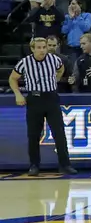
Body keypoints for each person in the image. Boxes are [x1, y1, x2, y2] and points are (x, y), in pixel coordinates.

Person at [10, 36, 73, 176]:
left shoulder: (54, 59)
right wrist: (18, 94)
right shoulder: (25, 62)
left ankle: (65, 165)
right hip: (34, 99)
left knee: (59, 134)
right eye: (39, 47)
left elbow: (60, 69)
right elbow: (13, 78)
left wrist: (55, 80)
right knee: (33, 135)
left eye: (44, 47)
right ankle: (34, 165)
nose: (42, 50)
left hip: (51, 98)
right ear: (32, 49)